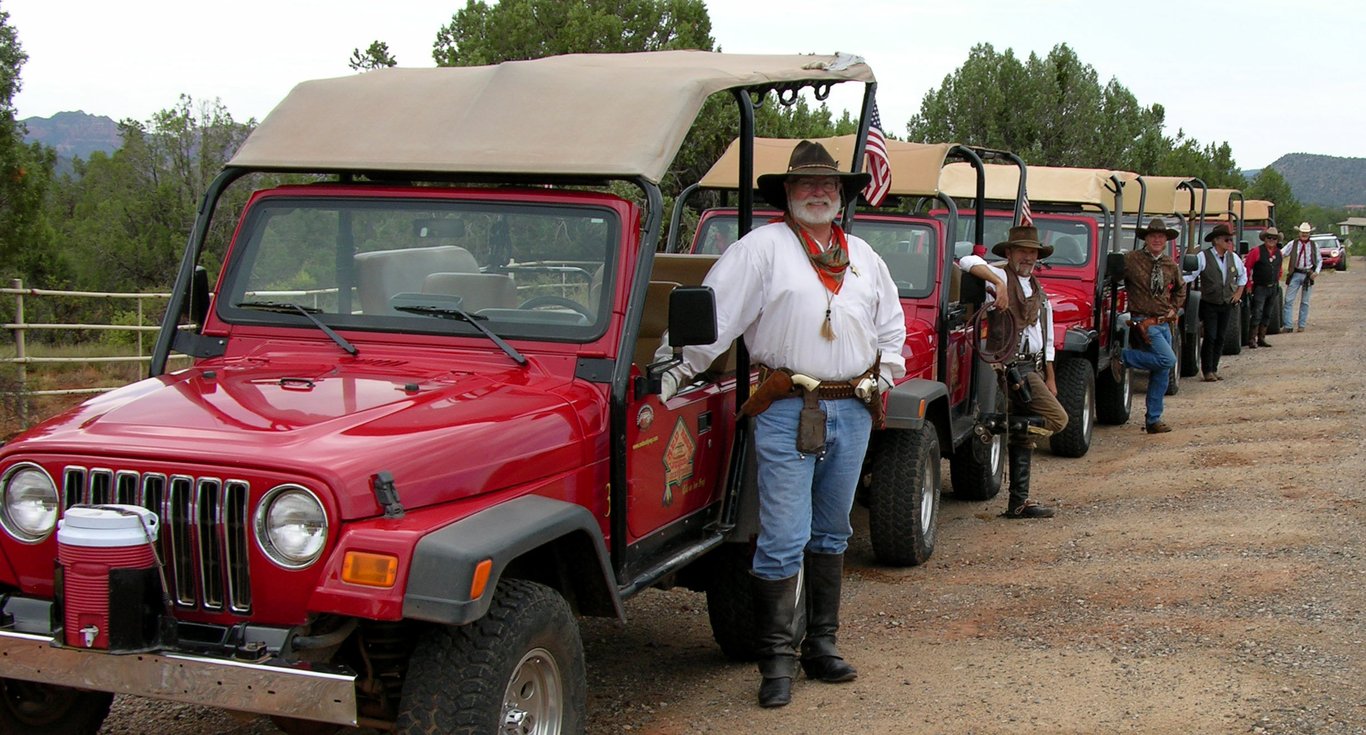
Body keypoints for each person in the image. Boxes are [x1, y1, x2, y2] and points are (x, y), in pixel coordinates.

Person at [660, 140, 907, 708]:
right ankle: (775, 660)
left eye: (828, 186)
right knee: (782, 537)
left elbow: (890, 327)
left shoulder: (864, 257)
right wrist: (678, 370)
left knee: (832, 532)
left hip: (852, 408)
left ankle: (821, 646)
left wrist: (886, 376)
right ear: (788, 194)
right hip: (785, 409)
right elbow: (715, 316)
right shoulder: (762, 249)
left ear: (842, 196)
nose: (818, 193)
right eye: (805, 185)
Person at [958, 225, 1067, 519]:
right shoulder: (1000, 277)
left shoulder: (1039, 291)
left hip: (1033, 365)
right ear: (1009, 253)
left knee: (1025, 435)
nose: (1028, 257)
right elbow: (967, 261)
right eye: (1022, 251)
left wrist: (1051, 375)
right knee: (1058, 418)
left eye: (1032, 252)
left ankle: (1018, 502)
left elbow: (1047, 337)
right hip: (1007, 366)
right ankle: (990, 425)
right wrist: (999, 283)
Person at [1115, 218, 1184, 434]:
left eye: (1161, 236)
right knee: (1168, 360)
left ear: (1165, 240)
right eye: (1152, 235)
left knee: (1161, 372)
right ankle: (1122, 357)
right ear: (1146, 238)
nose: (1157, 239)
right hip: (1143, 322)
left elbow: (1180, 289)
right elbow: (1113, 276)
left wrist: (1174, 308)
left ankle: (1153, 419)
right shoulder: (1131, 260)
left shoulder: (1169, 264)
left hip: (1164, 324)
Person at [1185, 223, 1247, 381]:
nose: (1229, 242)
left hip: (1226, 303)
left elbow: (1243, 276)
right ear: (1217, 240)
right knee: (1210, 336)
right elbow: (1190, 276)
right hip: (1209, 302)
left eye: (1230, 239)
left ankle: (1214, 368)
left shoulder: (1233, 257)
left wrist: (1238, 293)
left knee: (1221, 336)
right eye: (1227, 239)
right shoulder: (1203, 257)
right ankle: (1207, 371)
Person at [1243, 227, 1285, 348]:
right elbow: (1247, 268)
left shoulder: (1279, 253)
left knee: (1267, 313)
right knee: (1257, 313)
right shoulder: (1256, 251)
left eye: (1274, 238)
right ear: (1264, 239)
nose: (1271, 240)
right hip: (1260, 287)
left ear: (1277, 240)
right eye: (1269, 237)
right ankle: (1252, 339)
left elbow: (1280, 269)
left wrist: (1277, 282)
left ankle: (1261, 338)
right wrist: (1249, 285)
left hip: (1273, 287)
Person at [1281, 222, 1321, 332]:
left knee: (1305, 302)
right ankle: (1288, 326)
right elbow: (1282, 254)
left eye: (1306, 233)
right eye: (1303, 233)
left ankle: (1301, 325)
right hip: (1295, 273)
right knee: (1288, 300)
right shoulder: (1292, 244)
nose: (1304, 235)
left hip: (1308, 275)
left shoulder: (1314, 245)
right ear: (1299, 233)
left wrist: (1316, 272)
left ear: (1309, 234)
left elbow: (1319, 260)